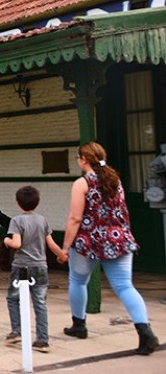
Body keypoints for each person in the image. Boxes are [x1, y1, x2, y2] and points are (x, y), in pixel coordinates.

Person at [59, 141, 159, 355]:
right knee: (124, 286)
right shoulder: (115, 180)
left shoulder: (81, 183)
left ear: (84, 160)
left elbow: (75, 218)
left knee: (77, 281)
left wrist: (66, 246)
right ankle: (145, 332)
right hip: (118, 238)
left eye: (78, 158)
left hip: (89, 240)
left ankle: (79, 325)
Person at [3, 186, 65, 353]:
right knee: (40, 302)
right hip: (40, 266)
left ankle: (16, 331)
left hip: (21, 266)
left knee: (13, 298)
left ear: (18, 203)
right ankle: (42, 340)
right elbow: (50, 243)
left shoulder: (16, 221)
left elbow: (16, 244)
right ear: (37, 202)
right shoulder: (42, 220)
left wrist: (6, 241)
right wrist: (62, 256)